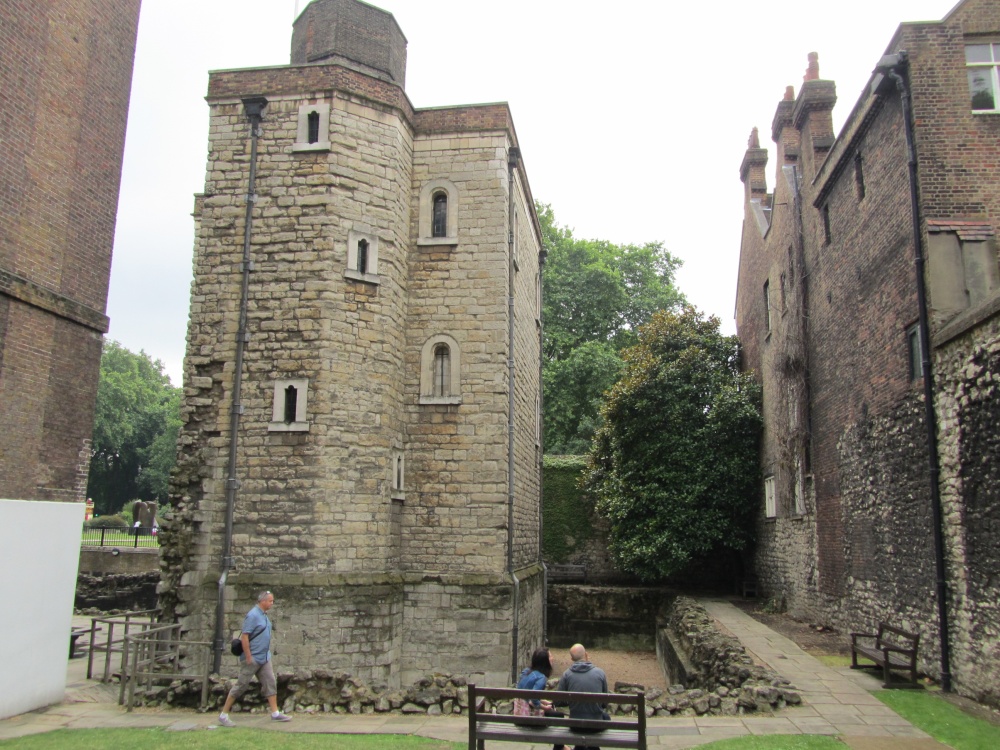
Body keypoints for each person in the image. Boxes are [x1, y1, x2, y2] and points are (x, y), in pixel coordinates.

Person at [218, 591, 292, 726]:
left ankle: (275, 713)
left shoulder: (263, 615)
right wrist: (248, 656)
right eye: (270, 601)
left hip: (264, 657)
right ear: (263, 601)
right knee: (241, 685)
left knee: (270, 682)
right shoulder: (252, 615)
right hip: (253, 657)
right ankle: (224, 715)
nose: (272, 603)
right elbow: (245, 636)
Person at [555, 643, 608, 750]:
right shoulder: (600, 673)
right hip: (595, 726)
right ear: (586, 655)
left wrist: (570, 700)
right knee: (606, 717)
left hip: (576, 725)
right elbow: (604, 703)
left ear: (572, 659)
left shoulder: (567, 674)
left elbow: (557, 701)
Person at [516, 647, 565, 750]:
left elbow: (528, 695)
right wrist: (545, 707)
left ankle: (561, 747)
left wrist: (543, 701)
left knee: (553, 711)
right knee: (559, 716)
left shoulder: (526, 671)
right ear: (545, 662)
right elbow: (533, 700)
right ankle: (559, 748)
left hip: (519, 714)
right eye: (550, 656)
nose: (552, 658)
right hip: (529, 718)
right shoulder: (541, 678)